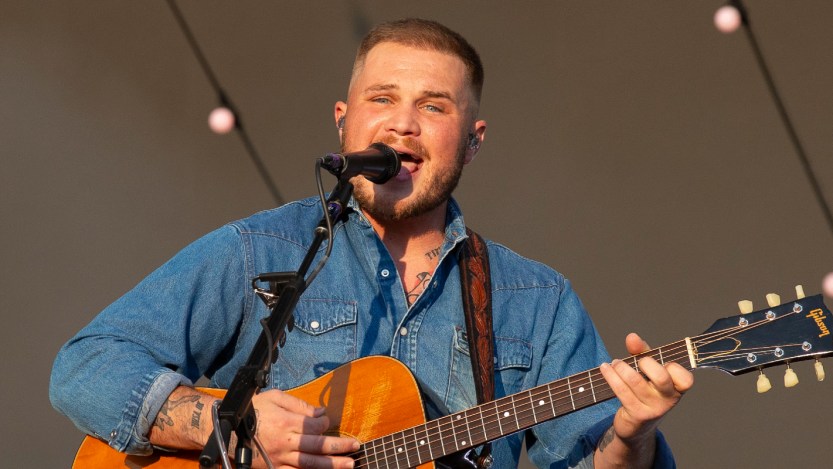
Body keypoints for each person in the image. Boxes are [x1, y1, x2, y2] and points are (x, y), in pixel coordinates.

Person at [50, 18, 693, 468]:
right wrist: (232, 426)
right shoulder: (259, 251)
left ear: (473, 138)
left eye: (435, 106)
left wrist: (632, 436)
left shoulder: (536, 301)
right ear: (345, 119)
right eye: (382, 98)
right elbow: (84, 369)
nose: (403, 123)